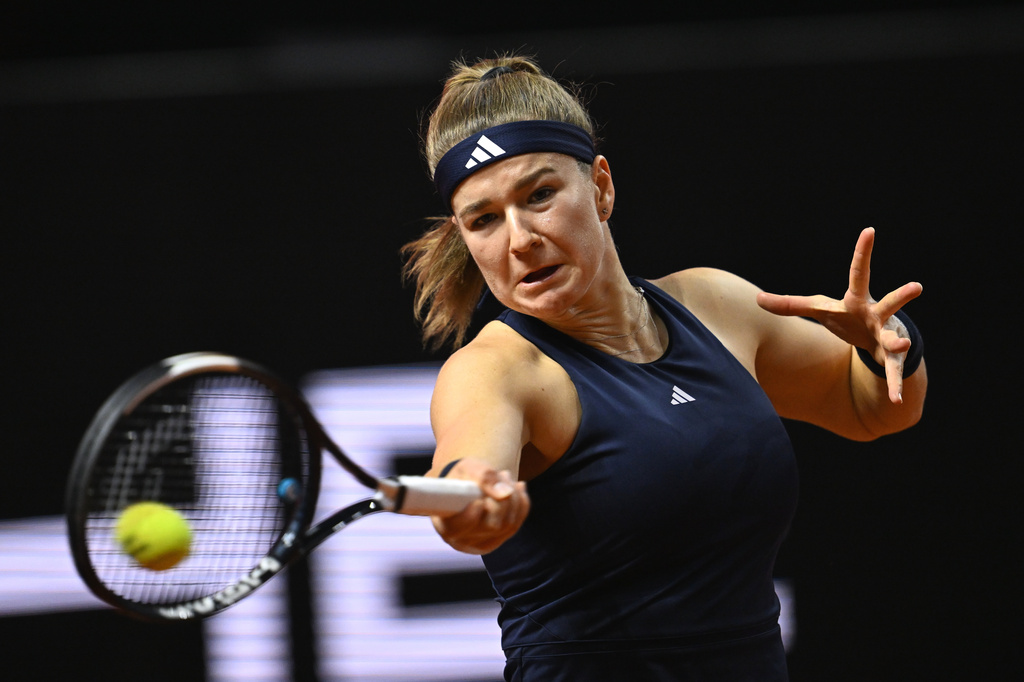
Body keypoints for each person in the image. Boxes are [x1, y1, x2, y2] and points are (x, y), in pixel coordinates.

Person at [401, 54, 927, 681]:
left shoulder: (716, 304)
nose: (519, 239)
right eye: (484, 219)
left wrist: (886, 342)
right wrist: (471, 497)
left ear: (601, 188)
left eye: (539, 195)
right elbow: (467, 470)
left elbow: (872, 409)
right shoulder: (493, 371)